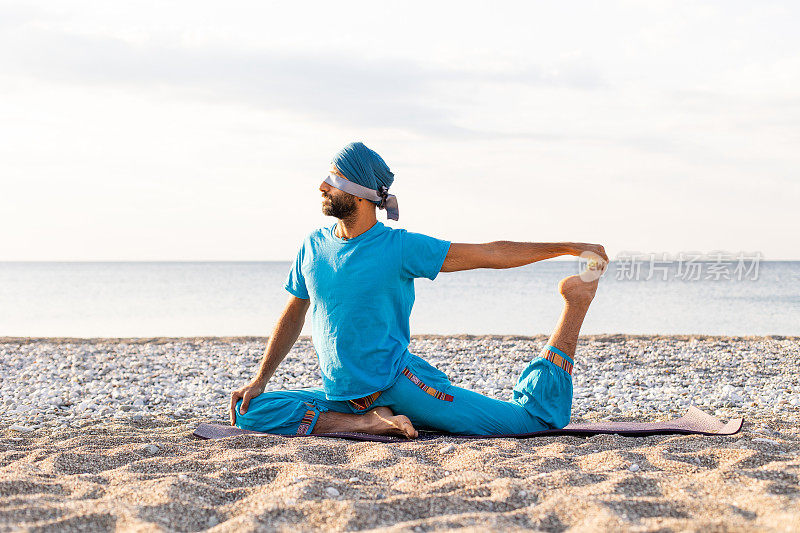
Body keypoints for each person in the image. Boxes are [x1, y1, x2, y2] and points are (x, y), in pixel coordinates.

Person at [230, 141, 608, 438]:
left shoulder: (399, 247)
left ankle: (576, 303)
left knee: (531, 422)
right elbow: (294, 313)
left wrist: (570, 248)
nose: (322, 186)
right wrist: (261, 378)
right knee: (248, 410)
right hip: (342, 397)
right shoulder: (313, 246)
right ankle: (367, 424)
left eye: (335, 179)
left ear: (361, 194)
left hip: (402, 385)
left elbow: (489, 253)